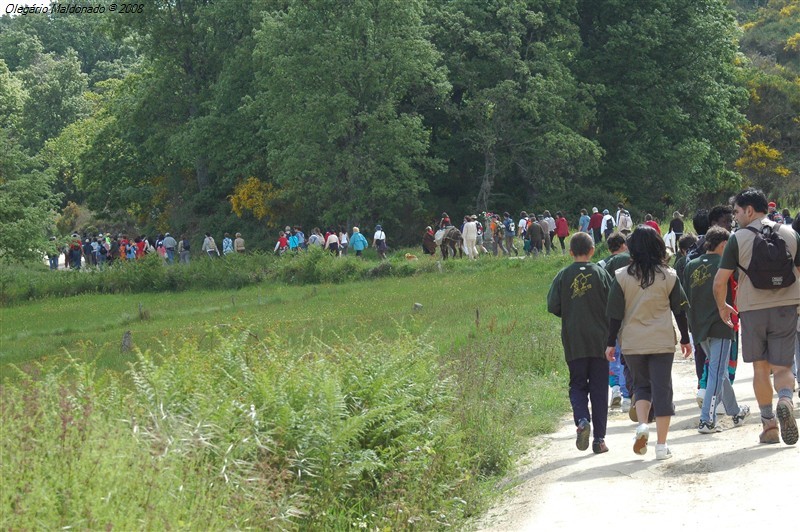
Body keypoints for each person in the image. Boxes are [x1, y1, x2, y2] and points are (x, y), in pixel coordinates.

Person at [713, 187, 799, 446]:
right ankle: (785, 399)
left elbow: (720, 281)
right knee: (783, 366)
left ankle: (769, 425)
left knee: (760, 368)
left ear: (749, 210)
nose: (735, 217)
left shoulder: (738, 238)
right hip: (786, 307)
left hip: (752, 309)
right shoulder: (790, 233)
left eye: (737, 212)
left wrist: (723, 306)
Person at [605, 225, 692, 460]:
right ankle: (661, 446)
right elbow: (680, 310)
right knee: (663, 391)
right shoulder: (669, 275)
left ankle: (642, 425)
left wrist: (610, 343)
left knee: (642, 387)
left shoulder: (621, 276)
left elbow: (614, 314)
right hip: (661, 341)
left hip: (633, 342)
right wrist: (685, 338)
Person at [547, 232, 614, 454]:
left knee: (577, 384)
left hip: (573, 340)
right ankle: (599, 440)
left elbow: (552, 305)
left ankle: (582, 420)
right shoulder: (601, 273)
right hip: (599, 340)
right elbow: (614, 303)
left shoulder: (563, 275)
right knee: (598, 388)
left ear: (570, 252)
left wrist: (571, 314)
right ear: (592, 250)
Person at [684, 226, 750, 433]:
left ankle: (736, 412)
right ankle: (707, 420)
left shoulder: (690, 265)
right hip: (721, 325)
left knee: (717, 372)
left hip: (698, 326)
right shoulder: (726, 265)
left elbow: (685, 298)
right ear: (723, 245)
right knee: (717, 373)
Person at [597, 232, 632, 411]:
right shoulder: (630, 260)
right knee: (626, 356)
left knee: (613, 354)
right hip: (628, 314)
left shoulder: (602, 264)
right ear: (624, 245)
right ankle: (627, 396)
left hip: (608, 315)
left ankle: (615, 389)